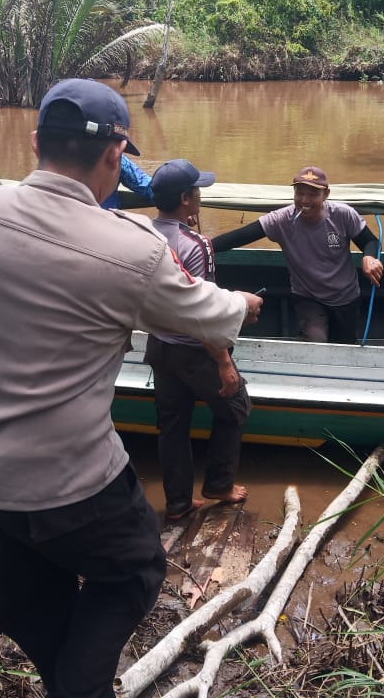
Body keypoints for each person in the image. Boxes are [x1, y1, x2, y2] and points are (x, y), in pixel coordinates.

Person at [0, 78, 263, 698]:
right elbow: (211, 314)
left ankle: (74, 684)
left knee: (35, 610)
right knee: (136, 572)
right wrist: (246, 304)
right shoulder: (133, 250)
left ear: (36, 141)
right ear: (117, 154)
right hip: (74, 486)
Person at [143, 159, 252, 520]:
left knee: (172, 426)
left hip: (159, 347)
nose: (200, 197)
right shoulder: (197, 244)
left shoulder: (144, 233)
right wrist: (223, 363)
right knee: (235, 407)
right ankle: (219, 484)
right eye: (197, 191)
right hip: (195, 351)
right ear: (186, 199)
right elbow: (202, 312)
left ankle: (177, 503)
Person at [211, 165, 383, 344]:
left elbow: (371, 241)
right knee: (316, 342)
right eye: (299, 193)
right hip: (308, 296)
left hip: (346, 297)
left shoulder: (343, 214)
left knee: (345, 347)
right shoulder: (282, 219)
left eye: (312, 194)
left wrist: (369, 257)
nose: (304, 200)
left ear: (326, 194)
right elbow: (241, 236)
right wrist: (203, 246)